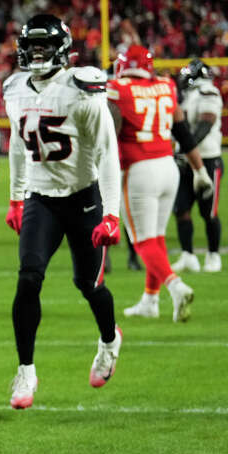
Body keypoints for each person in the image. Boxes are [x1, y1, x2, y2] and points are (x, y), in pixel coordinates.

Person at [4, 14, 123, 409]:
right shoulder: (14, 89)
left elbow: (107, 153)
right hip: (41, 197)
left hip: (82, 196)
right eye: (31, 45)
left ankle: (109, 340)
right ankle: (26, 370)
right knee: (28, 278)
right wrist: (16, 197)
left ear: (61, 48)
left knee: (88, 285)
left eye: (44, 45)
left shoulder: (81, 89)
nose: (36, 53)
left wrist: (112, 214)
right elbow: (18, 147)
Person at [106, 45, 212, 322]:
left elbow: (108, 134)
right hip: (169, 167)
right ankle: (150, 301)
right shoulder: (165, 85)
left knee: (143, 242)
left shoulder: (118, 89)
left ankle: (176, 287)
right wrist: (199, 169)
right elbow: (182, 131)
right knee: (156, 238)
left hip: (139, 169)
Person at [171, 59, 222, 273]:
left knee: (208, 212)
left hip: (208, 159)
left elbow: (207, 122)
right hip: (186, 160)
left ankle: (213, 255)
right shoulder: (190, 95)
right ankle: (188, 255)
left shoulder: (208, 91)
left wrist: (186, 147)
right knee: (181, 209)